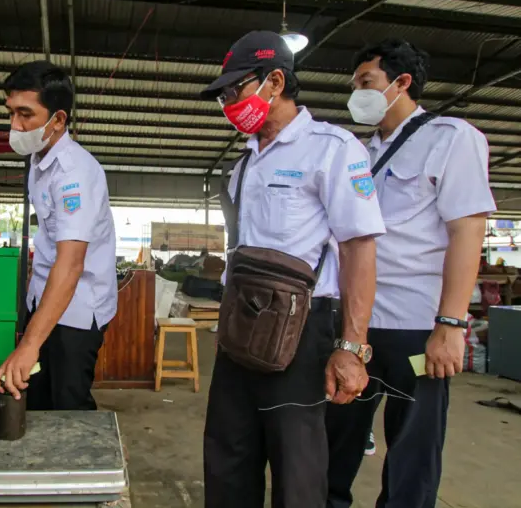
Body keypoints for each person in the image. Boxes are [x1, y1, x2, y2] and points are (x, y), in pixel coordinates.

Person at [200, 30, 386, 508]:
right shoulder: (244, 164)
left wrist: (351, 346)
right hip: (239, 326)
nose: (227, 102)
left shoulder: (333, 149)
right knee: (228, 456)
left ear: (275, 81)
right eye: (223, 94)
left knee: (297, 466)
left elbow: (359, 248)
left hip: (300, 334)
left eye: (234, 89)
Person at [326, 39, 496, 508]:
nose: (356, 94)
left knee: (412, 451)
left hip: (419, 331)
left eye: (366, 83)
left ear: (402, 84)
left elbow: (467, 232)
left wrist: (451, 325)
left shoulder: (450, 137)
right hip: (358, 329)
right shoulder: (361, 151)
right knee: (334, 442)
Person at [0, 61, 117, 411]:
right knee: (39, 398)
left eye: (25, 114)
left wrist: (29, 344)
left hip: (76, 309)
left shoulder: (75, 173)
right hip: (44, 298)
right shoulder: (37, 159)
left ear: (58, 120)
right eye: (11, 113)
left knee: (68, 405)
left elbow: (71, 263)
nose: (15, 125)